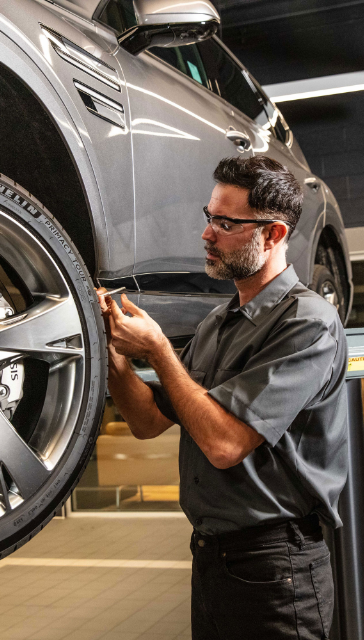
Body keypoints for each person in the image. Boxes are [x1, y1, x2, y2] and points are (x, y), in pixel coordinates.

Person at [97, 155, 348, 640]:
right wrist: (112, 353)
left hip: (278, 568)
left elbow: (225, 445)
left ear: (273, 235)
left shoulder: (307, 324)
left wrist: (157, 349)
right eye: (209, 217)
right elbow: (148, 420)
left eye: (226, 222)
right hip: (214, 560)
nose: (207, 234)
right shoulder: (217, 324)